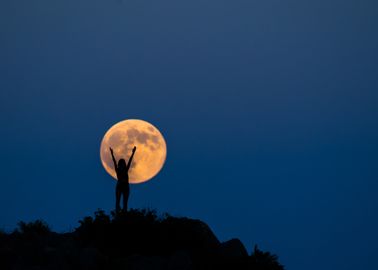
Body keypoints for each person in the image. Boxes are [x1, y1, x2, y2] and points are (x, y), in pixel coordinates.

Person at [110, 146, 136, 213]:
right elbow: (114, 162)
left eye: (123, 163)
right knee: (118, 202)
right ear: (119, 165)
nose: (123, 165)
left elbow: (130, 161)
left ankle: (124, 214)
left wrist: (133, 153)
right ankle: (117, 213)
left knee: (125, 203)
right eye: (121, 164)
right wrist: (112, 154)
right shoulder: (117, 170)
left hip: (126, 187)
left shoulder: (126, 169)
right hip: (119, 186)